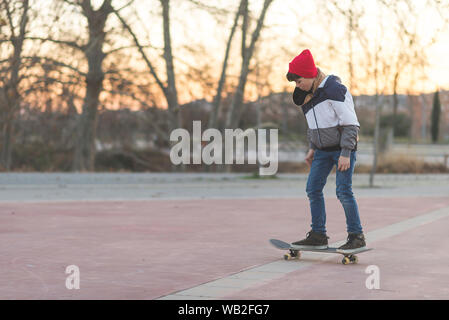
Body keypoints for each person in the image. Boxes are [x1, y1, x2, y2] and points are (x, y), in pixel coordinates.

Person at [286, 49, 366, 254]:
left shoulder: (334, 89)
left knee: (343, 191)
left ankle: (356, 236)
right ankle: (318, 235)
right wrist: (312, 148)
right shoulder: (306, 95)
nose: (298, 85)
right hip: (321, 152)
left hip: (342, 150)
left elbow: (351, 124)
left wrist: (346, 153)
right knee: (312, 189)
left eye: (299, 80)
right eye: (295, 83)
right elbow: (314, 126)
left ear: (310, 74)